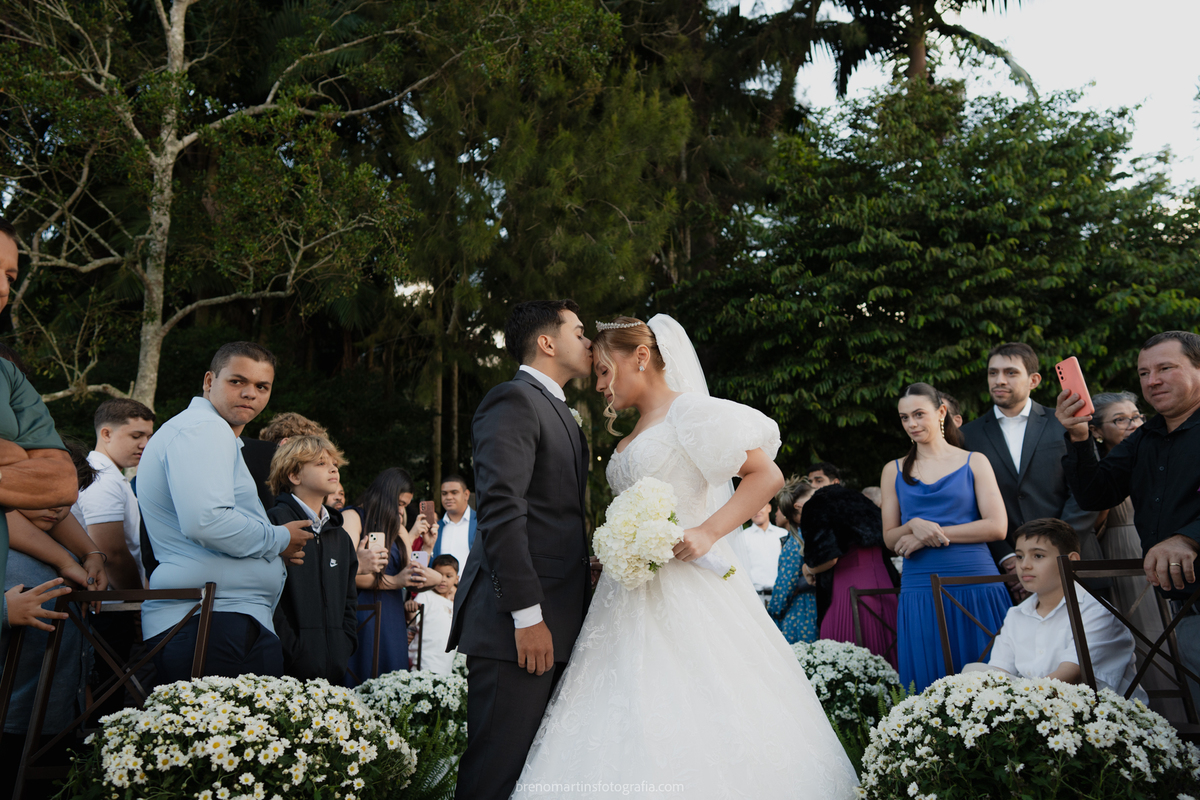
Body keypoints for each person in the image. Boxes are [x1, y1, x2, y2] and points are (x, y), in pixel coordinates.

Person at [515, 315, 857, 799]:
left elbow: (767, 475)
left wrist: (708, 531)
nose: (600, 385)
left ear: (640, 357)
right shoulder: (635, 431)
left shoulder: (691, 412)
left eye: (605, 372)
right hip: (625, 595)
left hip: (689, 587)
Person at [447, 300, 594, 800]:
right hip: (517, 626)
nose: (590, 342)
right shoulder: (513, 399)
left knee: (535, 774)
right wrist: (527, 616)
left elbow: (554, 517)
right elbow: (501, 510)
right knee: (496, 772)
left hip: (558, 619)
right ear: (547, 343)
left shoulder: (558, 410)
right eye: (580, 332)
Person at [136, 342, 313, 683]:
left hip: (224, 614)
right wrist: (279, 539)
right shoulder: (203, 428)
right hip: (208, 618)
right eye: (237, 382)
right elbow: (207, 521)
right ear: (208, 381)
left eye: (261, 387)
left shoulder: (211, 432)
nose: (250, 394)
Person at [1057, 330, 1200, 712]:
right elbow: (1095, 494)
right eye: (1143, 373)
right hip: (1184, 604)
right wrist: (1078, 434)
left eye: (1166, 368)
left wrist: (1187, 538)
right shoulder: (1146, 436)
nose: (1152, 380)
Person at [882, 382, 1011, 692]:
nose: (911, 424)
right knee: (930, 677)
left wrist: (928, 535)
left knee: (992, 678)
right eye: (904, 418)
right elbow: (889, 537)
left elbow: (996, 527)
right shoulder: (893, 470)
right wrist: (914, 523)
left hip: (975, 580)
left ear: (941, 412)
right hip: (921, 586)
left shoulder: (974, 461)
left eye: (918, 415)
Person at [2, 442, 105, 800]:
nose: (59, 506)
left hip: (61, 719)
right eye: (47, 493)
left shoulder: (69, 548)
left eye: (68, 498)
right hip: (9, 720)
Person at [959, 343, 1099, 582]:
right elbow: (967, 504)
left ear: (1034, 380)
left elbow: (1088, 488)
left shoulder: (1065, 423)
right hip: (1007, 572)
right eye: (993, 373)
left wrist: (1056, 547)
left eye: (1010, 372)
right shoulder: (967, 436)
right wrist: (1008, 558)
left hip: (1074, 561)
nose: (999, 380)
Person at [0, 215, 80, 629]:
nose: (2, 289)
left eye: (10, 276)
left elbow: (60, 482)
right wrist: (17, 457)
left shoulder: (7, 374)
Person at [975, 519, 1144, 699]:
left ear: (1071, 561)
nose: (1024, 565)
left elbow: (1068, 676)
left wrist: (1014, 700)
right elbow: (998, 672)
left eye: (1038, 556)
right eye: (1019, 556)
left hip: (1097, 716)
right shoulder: (1016, 614)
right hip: (1036, 708)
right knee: (974, 672)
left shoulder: (1095, 611)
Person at [266, 436, 358, 682]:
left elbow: (349, 598)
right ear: (294, 476)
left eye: (334, 463)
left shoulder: (340, 535)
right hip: (284, 671)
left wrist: (345, 642)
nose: (333, 468)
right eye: (320, 463)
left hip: (335, 668)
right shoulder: (273, 525)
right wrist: (293, 650)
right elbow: (266, 594)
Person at [344, 467, 444, 685]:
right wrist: (396, 582)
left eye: (405, 506)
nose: (400, 511)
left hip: (392, 614)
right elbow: (344, 574)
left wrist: (427, 548)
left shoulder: (398, 528)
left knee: (392, 681)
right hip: (361, 611)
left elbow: (411, 573)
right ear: (385, 494)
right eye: (399, 503)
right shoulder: (352, 517)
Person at [803, 484, 899, 666]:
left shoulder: (818, 504)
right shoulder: (865, 503)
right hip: (885, 585)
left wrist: (807, 569)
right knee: (891, 653)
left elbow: (827, 559)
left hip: (848, 588)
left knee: (846, 658)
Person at [80, 399, 155, 590]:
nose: (145, 444)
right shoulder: (101, 479)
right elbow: (110, 554)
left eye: (148, 436)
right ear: (106, 434)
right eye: (136, 436)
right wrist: (135, 600)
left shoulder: (110, 476)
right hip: (110, 604)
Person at [768, 478, 819, 644]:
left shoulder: (806, 537)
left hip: (808, 609)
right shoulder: (796, 542)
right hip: (800, 614)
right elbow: (784, 587)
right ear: (799, 506)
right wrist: (773, 614)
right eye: (814, 497)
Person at [407, 554, 459, 675]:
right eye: (439, 575)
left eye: (448, 576)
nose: (443, 579)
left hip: (445, 667)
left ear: (457, 579)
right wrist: (410, 609)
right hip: (423, 663)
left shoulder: (454, 605)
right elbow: (412, 623)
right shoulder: (425, 596)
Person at [429, 474, 476, 566]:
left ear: (466, 494)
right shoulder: (435, 527)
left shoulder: (481, 522)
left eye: (454, 492)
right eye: (444, 493)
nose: (449, 497)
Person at [742, 502, 785, 599]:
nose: (757, 511)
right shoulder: (742, 537)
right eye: (752, 508)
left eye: (760, 506)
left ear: (769, 508)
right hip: (755, 597)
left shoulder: (783, 534)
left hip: (781, 596)